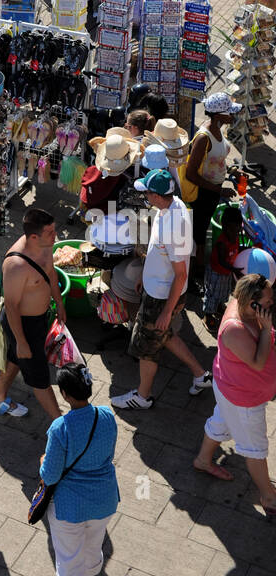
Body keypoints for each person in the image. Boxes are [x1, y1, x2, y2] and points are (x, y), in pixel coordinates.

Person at [110, 169, 212, 410]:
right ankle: (201, 375)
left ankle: (142, 397)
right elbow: (161, 253)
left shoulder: (174, 226)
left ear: (156, 195)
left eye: (147, 191)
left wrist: (166, 311)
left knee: (145, 348)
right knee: (163, 335)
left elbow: (180, 274)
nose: (144, 194)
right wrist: (147, 274)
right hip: (157, 290)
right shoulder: (172, 206)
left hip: (161, 298)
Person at [40, 363, 119, 576]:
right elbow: (107, 455)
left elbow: (50, 475)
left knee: (69, 562)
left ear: (64, 393)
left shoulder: (60, 428)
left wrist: (42, 462)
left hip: (70, 507)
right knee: (92, 545)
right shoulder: (107, 416)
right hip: (104, 500)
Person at [193, 275, 276, 514]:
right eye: (268, 301)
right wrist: (267, 330)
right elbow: (258, 363)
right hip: (243, 400)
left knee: (222, 422)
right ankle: (269, 498)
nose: (271, 304)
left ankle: (203, 460)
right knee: (255, 448)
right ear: (251, 303)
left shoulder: (247, 308)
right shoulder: (234, 330)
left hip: (229, 389)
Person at [0, 207, 64, 420]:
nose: (55, 235)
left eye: (54, 230)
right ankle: (61, 426)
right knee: (39, 377)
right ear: (33, 236)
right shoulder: (16, 265)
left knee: (16, 358)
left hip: (40, 319)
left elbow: (50, 273)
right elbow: (11, 306)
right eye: (50, 232)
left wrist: (59, 303)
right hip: (21, 326)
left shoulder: (45, 244)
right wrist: (21, 340)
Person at [183, 91, 239, 263]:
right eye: (230, 112)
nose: (233, 115)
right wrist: (218, 190)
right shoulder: (203, 139)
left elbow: (216, 159)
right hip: (203, 195)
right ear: (218, 115)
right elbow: (190, 174)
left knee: (203, 228)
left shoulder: (218, 129)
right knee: (198, 236)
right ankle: (195, 271)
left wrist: (231, 171)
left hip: (212, 192)